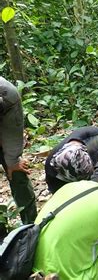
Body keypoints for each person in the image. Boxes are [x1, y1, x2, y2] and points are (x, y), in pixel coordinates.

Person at [0, 76, 37, 236]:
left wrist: (12, 159)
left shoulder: (7, 95)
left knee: (14, 167)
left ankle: (32, 226)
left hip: (7, 106)